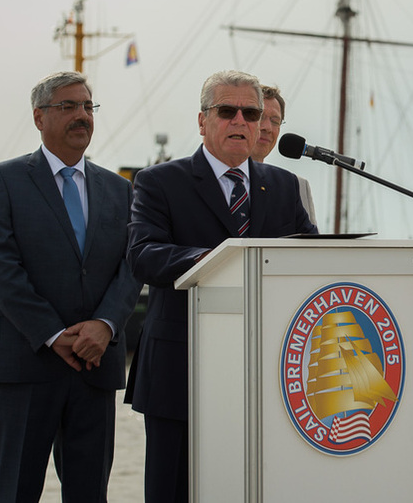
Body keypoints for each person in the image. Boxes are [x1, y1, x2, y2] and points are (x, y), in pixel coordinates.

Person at [125, 70, 318, 503]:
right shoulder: (158, 182)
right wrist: (223, 261)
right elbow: (143, 255)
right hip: (180, 370)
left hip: (266, 372)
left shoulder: (284, 186)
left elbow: (309, 260)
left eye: (251, 113)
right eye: (226, 111)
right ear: (202, 120)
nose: (241, 121)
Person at [0, 71, 141, 503]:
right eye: (68, 106)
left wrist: (105, 325)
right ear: (39, 117)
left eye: (88, 106)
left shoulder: (120, 190)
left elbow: (131, 265)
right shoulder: (3, 180)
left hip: (94, 366)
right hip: (23, 367)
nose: (81, 115)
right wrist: (53, 334)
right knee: (15, 493)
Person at [252, 84, 317, 225]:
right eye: (260, 117)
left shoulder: (297, 187)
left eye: (275, 121)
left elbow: (312, 245)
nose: (267, 128)